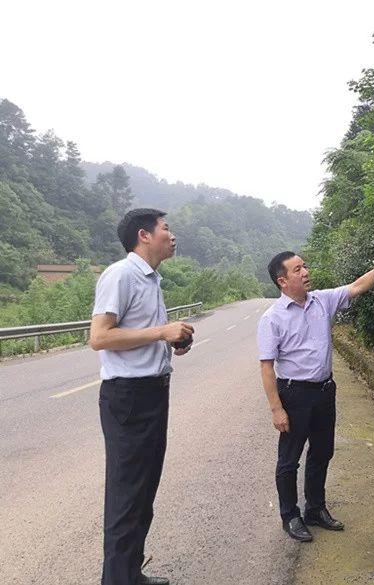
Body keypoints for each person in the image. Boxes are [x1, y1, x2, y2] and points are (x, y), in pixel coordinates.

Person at [257, 249, 374, 541]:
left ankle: (315, 509)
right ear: (283, 281)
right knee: (289, 460)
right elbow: (266, 366)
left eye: (305, 266)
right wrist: (277, 408)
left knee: (322, 452)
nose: (305, 272)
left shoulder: (322, 300)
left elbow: (355, 287)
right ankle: (290, 516)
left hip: (325, 391)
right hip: (294, 394)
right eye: (298, 269)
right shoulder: (272, 318)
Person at [90, 208, 195, 585]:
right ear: (144, 235)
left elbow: (146, 335)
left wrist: (173, 343)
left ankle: (130, 573)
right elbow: (99, 337)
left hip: (153, 393)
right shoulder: (121, 274)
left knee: (142, 494)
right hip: (129, 398)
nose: (172, 235)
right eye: (166, 228)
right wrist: (160, 333)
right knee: (126, 497)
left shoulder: (151, 279)